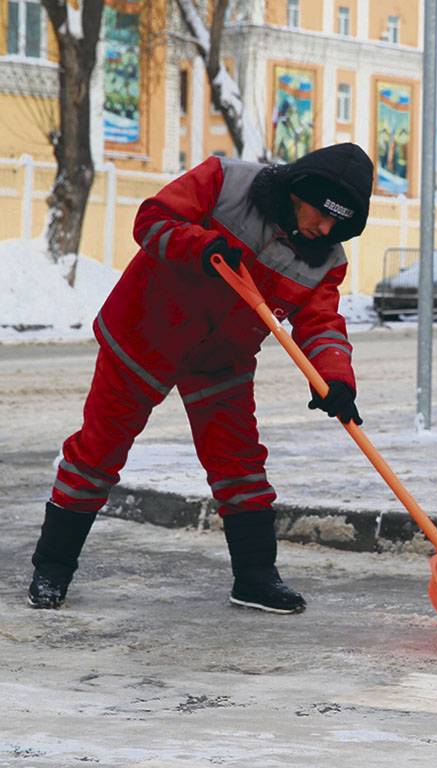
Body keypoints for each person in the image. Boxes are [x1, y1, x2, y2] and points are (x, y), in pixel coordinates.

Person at [27, 143, 375, 614]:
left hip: (222, 359)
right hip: (146, 334)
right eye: (323, 213)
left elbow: (321, 322)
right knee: (100, 451)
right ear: (299, 190)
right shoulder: (226, 182)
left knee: (240, 463)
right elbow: (151, 220)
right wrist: (201, 245)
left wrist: (335, 380)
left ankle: (254, 577)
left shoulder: (326, 259)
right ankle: (52, 568)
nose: (327, 228)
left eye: (342, 222)